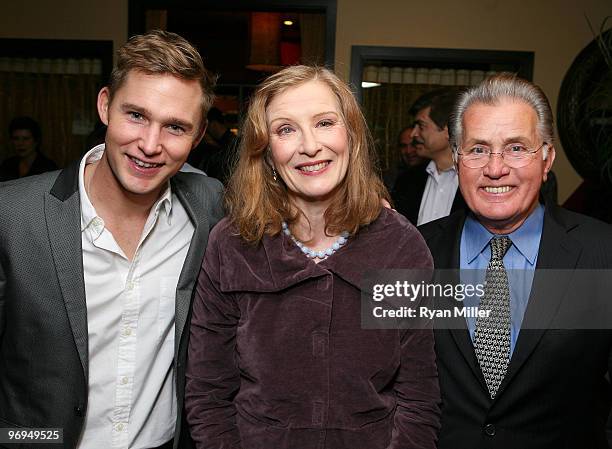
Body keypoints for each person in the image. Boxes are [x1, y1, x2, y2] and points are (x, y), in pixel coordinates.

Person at [185, 65, 440, 449]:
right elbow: (208, 393)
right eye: (286, 129)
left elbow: (418, 398)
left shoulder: (400, 246)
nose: (309, 145)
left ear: (351, 136)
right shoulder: (231, 244)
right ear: (266, 152)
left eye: (324, 123)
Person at [0, 30, 224, 449]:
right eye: (136, 115)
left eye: (175, 127)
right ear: (105, 105)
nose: (150, 145)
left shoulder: (210, 207)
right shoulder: (11, 215)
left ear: (198, 136)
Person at [419, 73, 612, 449]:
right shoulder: (413, 252)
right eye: (477, 149)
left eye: (516, 148)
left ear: (546, 159)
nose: (495, 168)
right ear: (457, 160)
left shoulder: (602, 254)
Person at [391, 88, 466, 225]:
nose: (414, 134)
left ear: (448, 130)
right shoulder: (407, 181)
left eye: (421, 126)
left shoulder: (475, 180)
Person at [0, 116, 57, 181]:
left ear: (36, 141)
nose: (20, 143)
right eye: (16, 138)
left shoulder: (47, 167)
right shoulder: (7, 165)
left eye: (26, 139)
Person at [383, 125, 426, 190]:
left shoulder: (433, 174)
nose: (408, 151)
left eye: (413, 144)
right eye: (403, 146)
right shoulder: (392, 177)